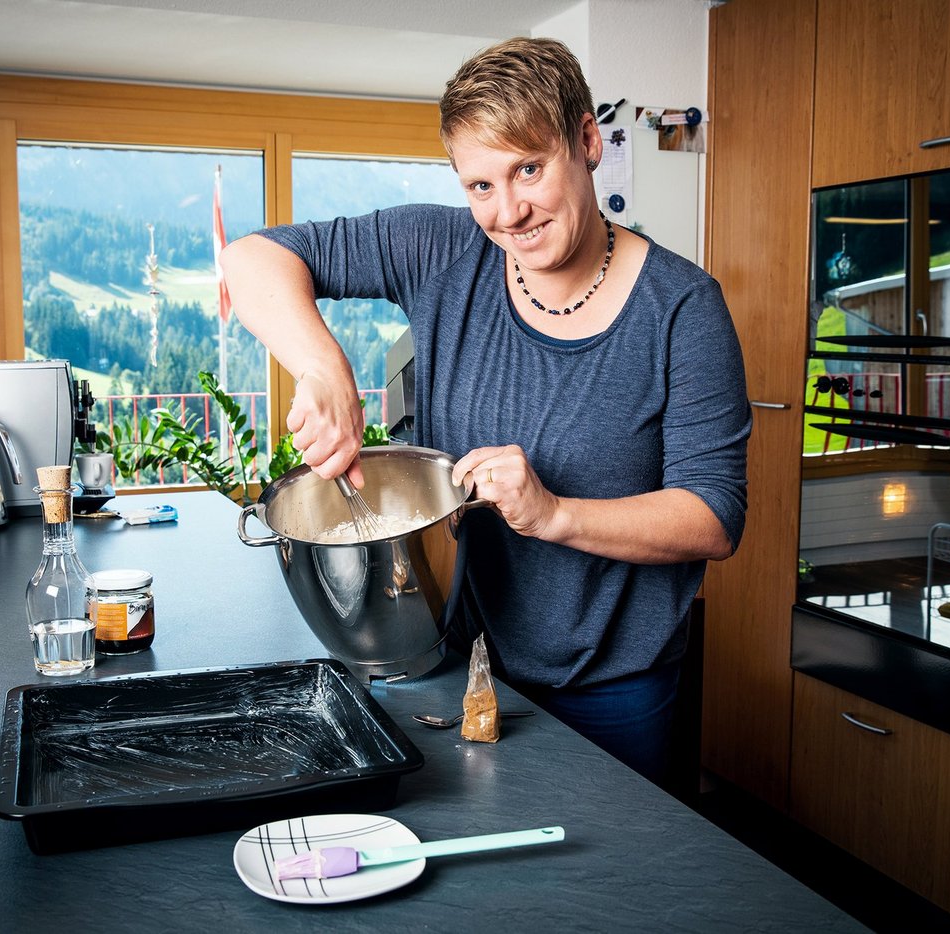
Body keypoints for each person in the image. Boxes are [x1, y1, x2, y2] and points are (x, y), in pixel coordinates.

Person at [221, 36, 750, 785]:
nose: (508, 213)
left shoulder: (683, 309)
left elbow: (715, 516)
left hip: (615, 696)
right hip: (454, 665)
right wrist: (322, 367)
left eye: (529, 169)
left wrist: (555, 513)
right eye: (480, 186)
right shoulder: (441, 251)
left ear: (588, 142)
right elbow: (251, 258)